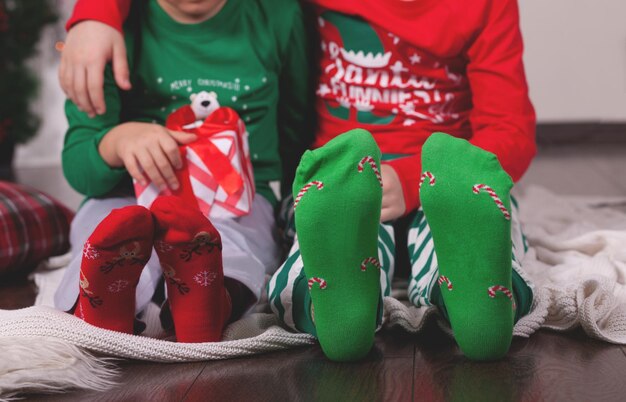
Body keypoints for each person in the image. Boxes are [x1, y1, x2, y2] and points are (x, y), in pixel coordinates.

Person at [58, 0, 536, 361]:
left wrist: (412, 178)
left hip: (444, 179)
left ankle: (479, 305)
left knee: (479, 239)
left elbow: (511, 131)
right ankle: (337, 308)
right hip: (343, 180)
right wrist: (95, 14)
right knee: (326, 232)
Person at [54, 0, 313, 343]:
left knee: (233, 244)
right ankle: (100, 304)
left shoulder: (277, 13)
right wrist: (118, 141)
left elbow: (298, 124)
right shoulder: (113, 26)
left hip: (235, 200)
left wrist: (295, 211)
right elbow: (79, 167)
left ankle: (209, 303)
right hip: (124, 194)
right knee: (106, 231)